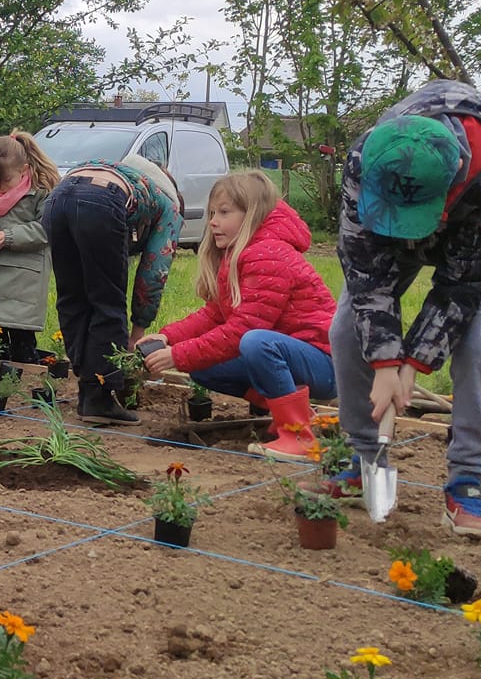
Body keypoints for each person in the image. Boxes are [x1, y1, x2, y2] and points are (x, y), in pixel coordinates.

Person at [325, 78, 481, 541]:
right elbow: (365, 271)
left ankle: (466, 480)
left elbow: (462, 286)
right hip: (384, 243)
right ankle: (366, 458)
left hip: (469, 251)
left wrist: (413, 363)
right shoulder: (365, 161)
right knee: (344, 333)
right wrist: (386, 362)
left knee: (480, 350)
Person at [137, 170, 334, 461]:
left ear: (252, 215)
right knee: (204, 365)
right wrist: (168, 337)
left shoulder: (267, 255)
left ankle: (298, 437)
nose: (213, 221)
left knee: (256, 342)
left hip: (327, 363)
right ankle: (297, 414)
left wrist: (176, 355)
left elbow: (244, 331)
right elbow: (214, 315)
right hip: (295, 357)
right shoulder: (241, 252)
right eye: (213, 212)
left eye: (224, 212)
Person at [43, 151, 183, 426]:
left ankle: (88, 389)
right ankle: (100, 397)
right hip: (101, 203)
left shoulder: (121, 171)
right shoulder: (169, 205)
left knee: (73, 298)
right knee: (107, 303)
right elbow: (154, 271)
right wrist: (138, 331)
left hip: (57, 199)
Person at [0, 130, 59, 364]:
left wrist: (10, 236)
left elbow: (47, 228)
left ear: (24, 170)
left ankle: (24, 379)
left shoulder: (41, 193)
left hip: (23, 282)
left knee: (21, 341)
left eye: (5, 181)